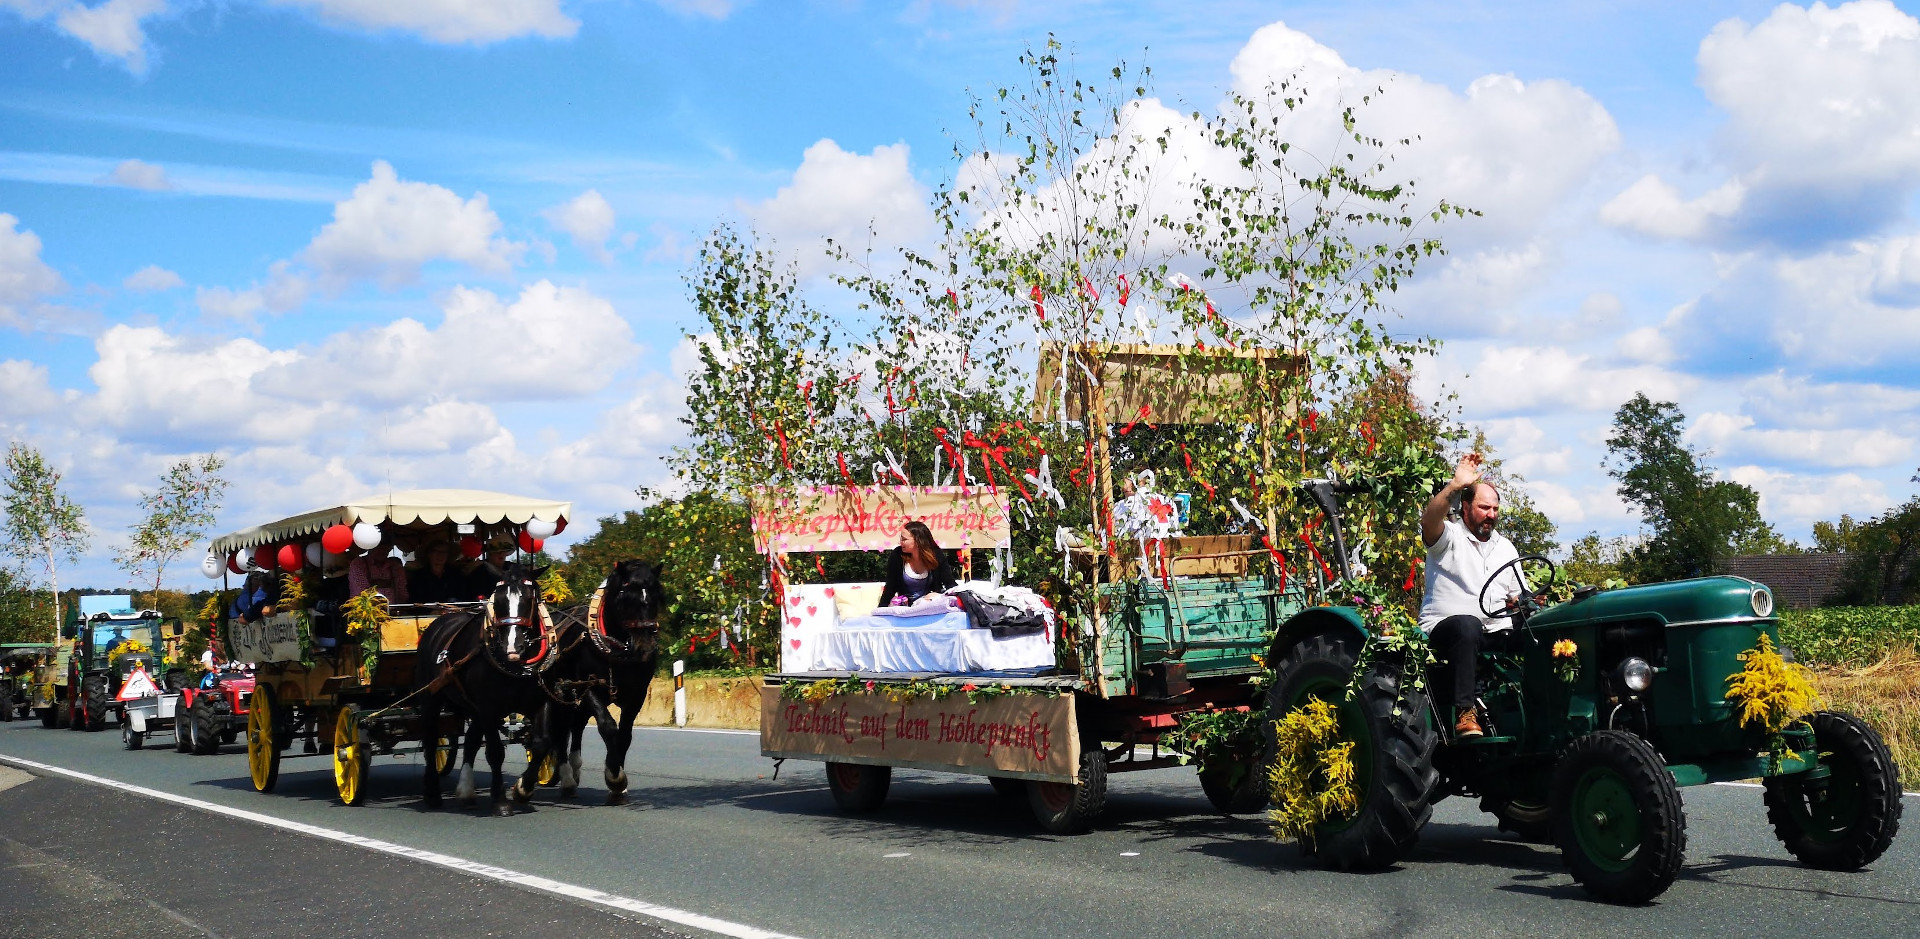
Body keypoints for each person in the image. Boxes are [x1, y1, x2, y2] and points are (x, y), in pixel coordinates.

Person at [1419, 453, 1525, 739]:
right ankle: (1466, 712)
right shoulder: (1448, 538)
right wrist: (1455, 485)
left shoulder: (1506, 548)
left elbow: (1518, 595)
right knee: (1468, 625)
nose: (1490, 514)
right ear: (1465, 507)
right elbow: (1429, 521)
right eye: (1483, 507)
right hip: (1448, 630)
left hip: (1494, 630)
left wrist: (1526, 605)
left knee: (1538, 626)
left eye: (1494, 508)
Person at [878, 521, 958, 608]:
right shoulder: (897, 555)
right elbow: (890, 587)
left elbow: (950, 584)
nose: (900, 542)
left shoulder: (937, 555)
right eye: (901, 539)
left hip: (931, 606)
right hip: (907, 608)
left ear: (918, 541)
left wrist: (938, 596)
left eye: (904, 539)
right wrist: (880, 610)